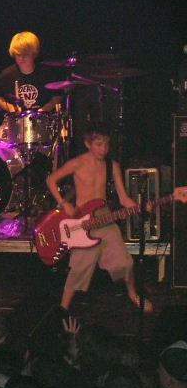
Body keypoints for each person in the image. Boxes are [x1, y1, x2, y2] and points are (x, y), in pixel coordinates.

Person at [45, 124, 153, 312]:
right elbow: (51, 180)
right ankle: (62, 309)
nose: (104, 149)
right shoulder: (77, 163)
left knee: (125, 263)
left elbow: (123, 198)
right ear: (88, 144)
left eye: (106, 145)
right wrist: (64, 203)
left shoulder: (113, 166)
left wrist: (140, 207)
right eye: (99, 145)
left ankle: (133, 295)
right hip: (83, 221)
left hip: (105, 218)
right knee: (79, 268)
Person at [0, 31, 63, 138]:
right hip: (15, 122)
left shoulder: (46, 74)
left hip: (42, 122)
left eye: (25, 55)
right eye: (18, 55)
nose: (21, 58)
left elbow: (57, 96)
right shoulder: (7, 74)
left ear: (34, 54)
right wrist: (11, 108)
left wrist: (43, 111)